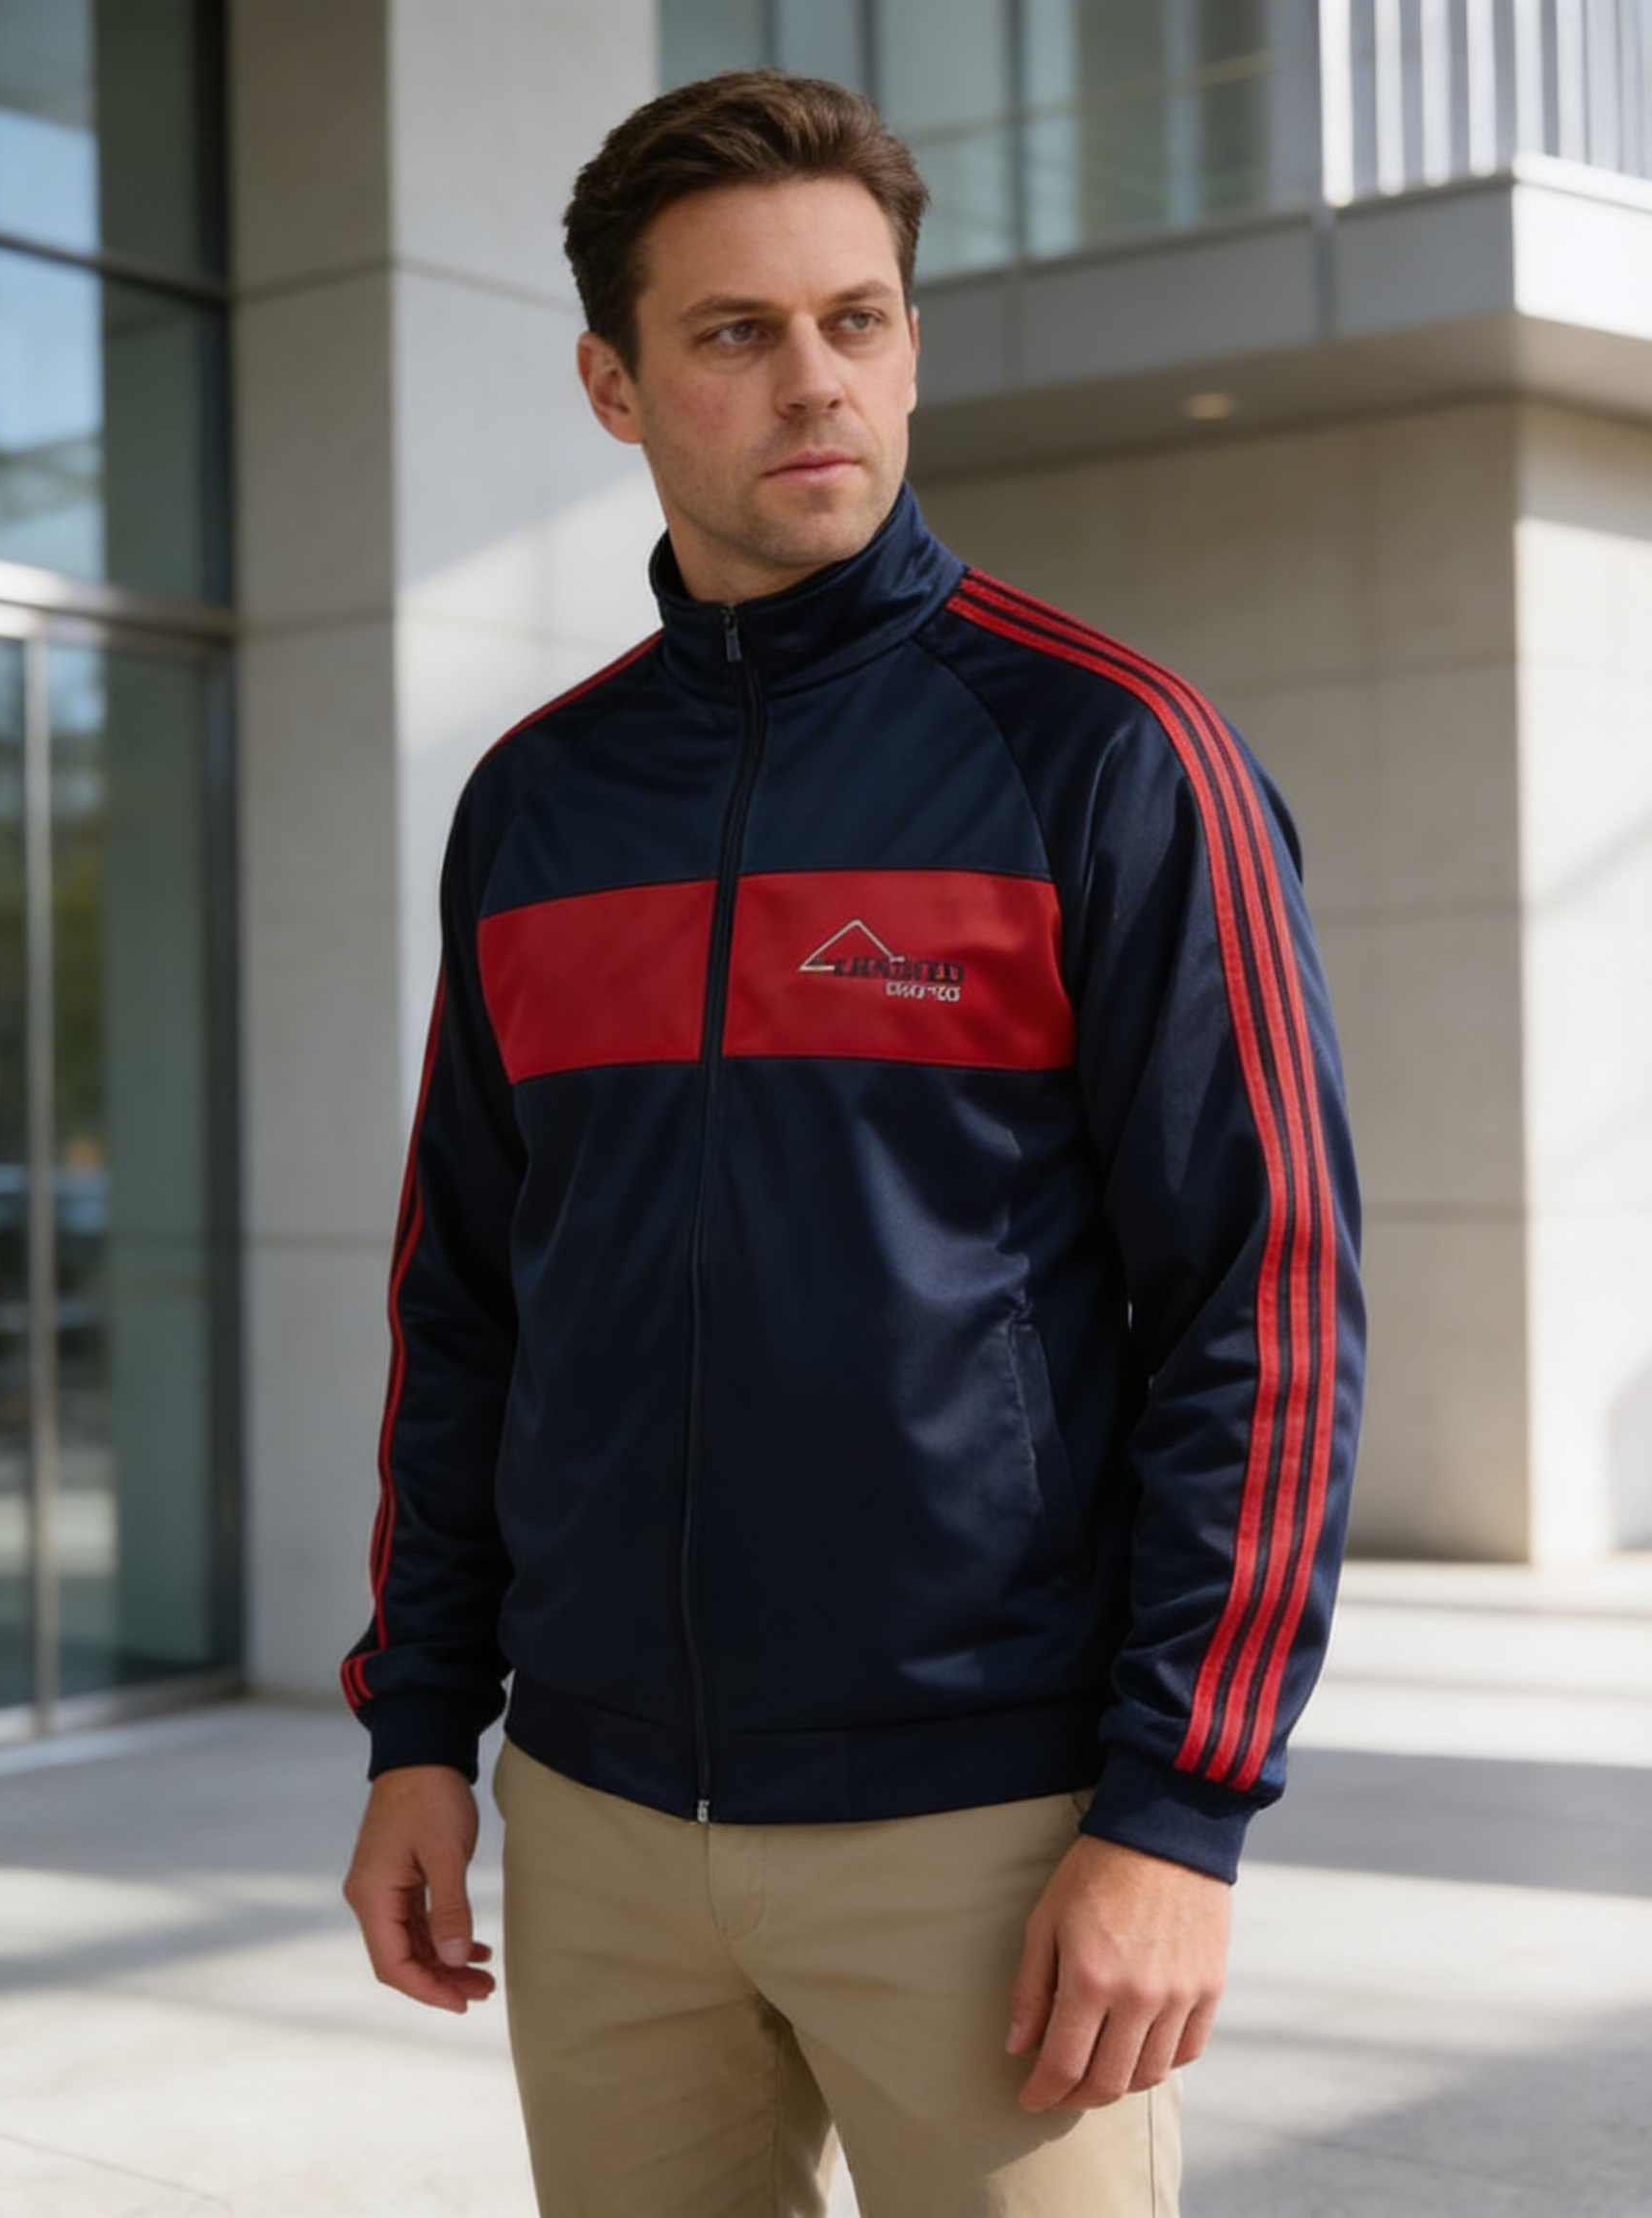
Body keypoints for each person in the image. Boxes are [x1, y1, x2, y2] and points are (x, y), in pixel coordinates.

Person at [341, 68, 1363, 2218]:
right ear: (616, 386)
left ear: (909, 342)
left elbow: (1260, 1309)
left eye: (858, 319)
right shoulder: (536, 806)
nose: (816, 380)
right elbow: (470, 1301)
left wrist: (1178, 1813)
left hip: (983, 1832)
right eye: (736, 332)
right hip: (601, 1826)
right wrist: (421, 1728)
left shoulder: (1112, 755)